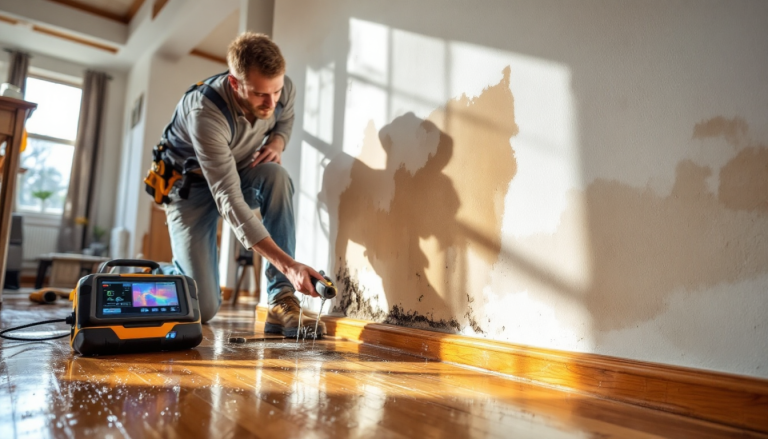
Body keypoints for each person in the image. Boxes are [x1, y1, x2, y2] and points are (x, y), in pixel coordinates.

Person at [158, 31, 325, 336]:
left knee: (276, 176)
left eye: (276, 91)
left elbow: (285, 119)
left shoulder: (280, 88)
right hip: (190, 188)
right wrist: (290, 265)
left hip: (236, 172)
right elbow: (228, 198)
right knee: (203, 308)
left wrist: (277, 141)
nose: (271, 101)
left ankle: (280, 298)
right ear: (235, 83)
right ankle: (165, 272)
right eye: (261, 94)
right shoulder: (205, 113)